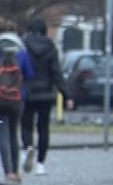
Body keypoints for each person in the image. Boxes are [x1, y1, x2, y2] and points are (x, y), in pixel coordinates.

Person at [0, 20, 35, 183]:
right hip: (18, 98)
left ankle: (7, 172)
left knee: (3, 134)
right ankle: (16, 170)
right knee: (14, 134)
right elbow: (30, 74)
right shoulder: (22, 53)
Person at [21, 18, 74, 176]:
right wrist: (67, 95)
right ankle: (40, 163)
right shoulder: (50, 46)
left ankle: (28, 147)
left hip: (27, 91)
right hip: (46, 93)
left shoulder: (23, 45)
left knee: (26, 124)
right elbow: (56, 73)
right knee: (43, 128)